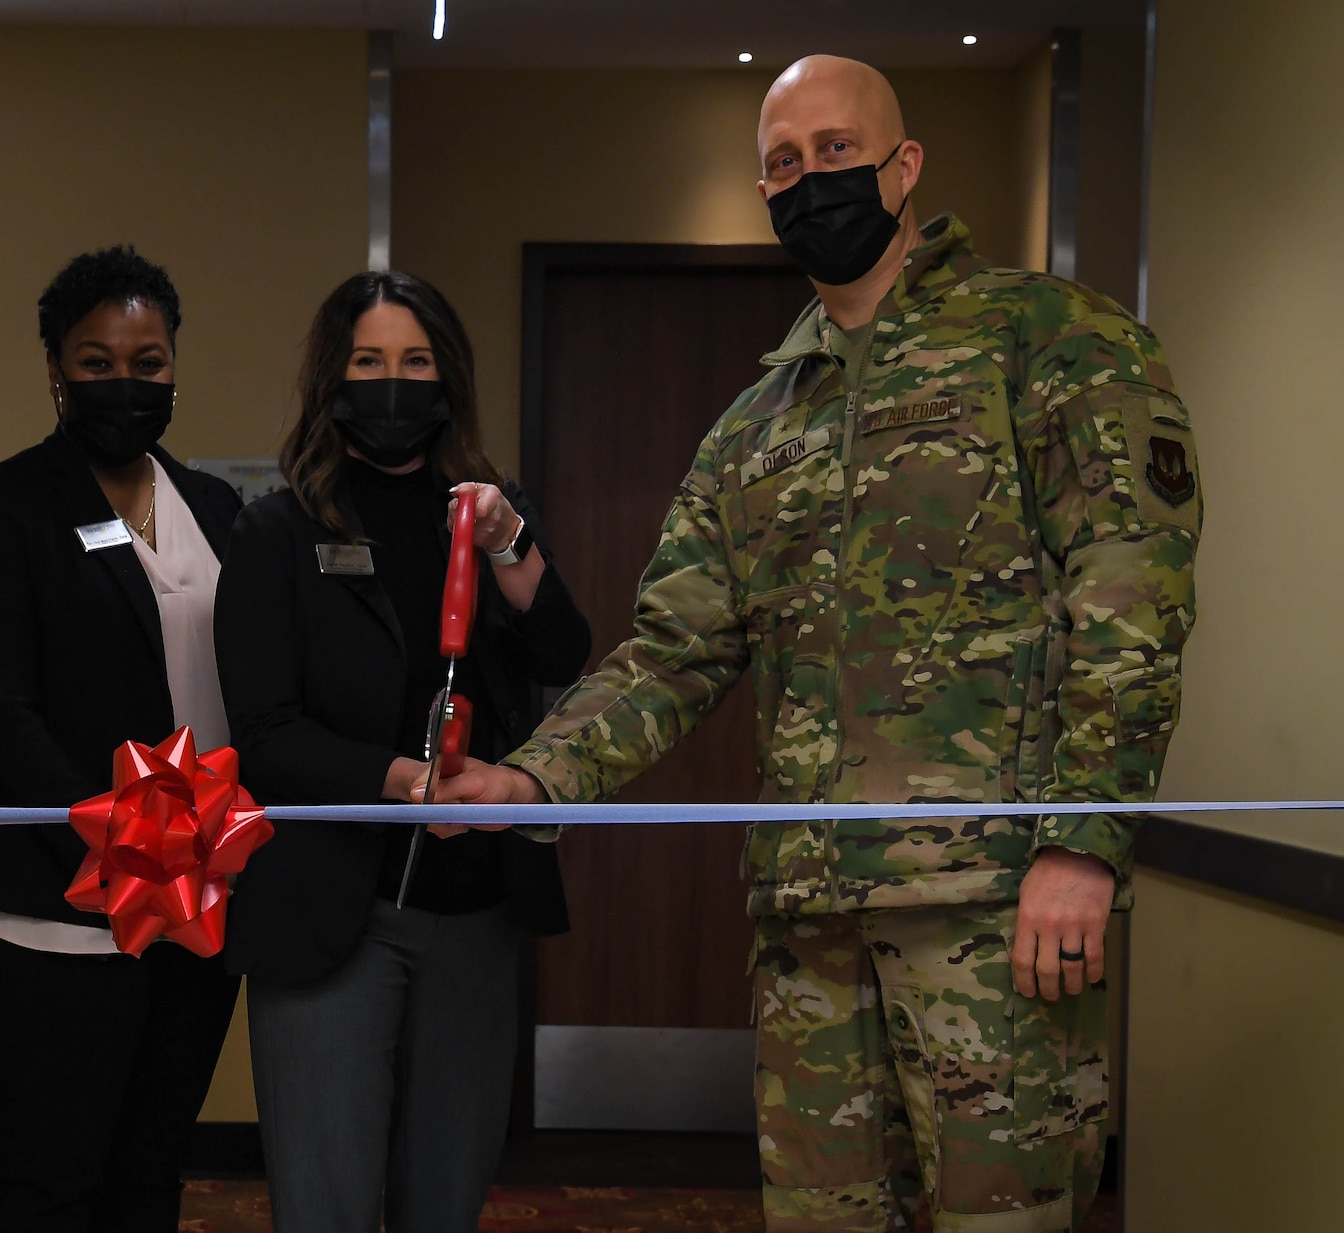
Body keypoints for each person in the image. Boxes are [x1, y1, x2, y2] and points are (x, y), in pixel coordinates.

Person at [437, 55, 1201, 1232]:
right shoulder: (753, 425)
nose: (809, 180)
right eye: (782, 164)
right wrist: (532, 772)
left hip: (988, 915)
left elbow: (1127, 594)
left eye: (835, 152)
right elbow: (672, 653)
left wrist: (1083, 845)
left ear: (902, 168)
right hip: (806, 929)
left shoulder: (1046, 338)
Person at [214, 271, 593, 1233]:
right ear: (330, 380)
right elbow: (266, 734)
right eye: (370, 362)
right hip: (332, 911)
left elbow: (563, 651)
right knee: (326, 1202)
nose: (394, 383)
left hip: (473, 914)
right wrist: (397, 780)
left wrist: (512, 545)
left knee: (446, 1199)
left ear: (449, 378)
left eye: (416, 362)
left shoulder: (488, 513)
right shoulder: (274, 531)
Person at [0, 245, 245, 1232]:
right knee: (54, 1181)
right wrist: (122, 837)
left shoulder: (218, 510)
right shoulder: (4, 504)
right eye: (96, 360)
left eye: (147, 362)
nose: (124, 382)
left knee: (149, 1177)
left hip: (194, 905)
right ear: (56, 370)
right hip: (52, 907)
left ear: (172, 367)